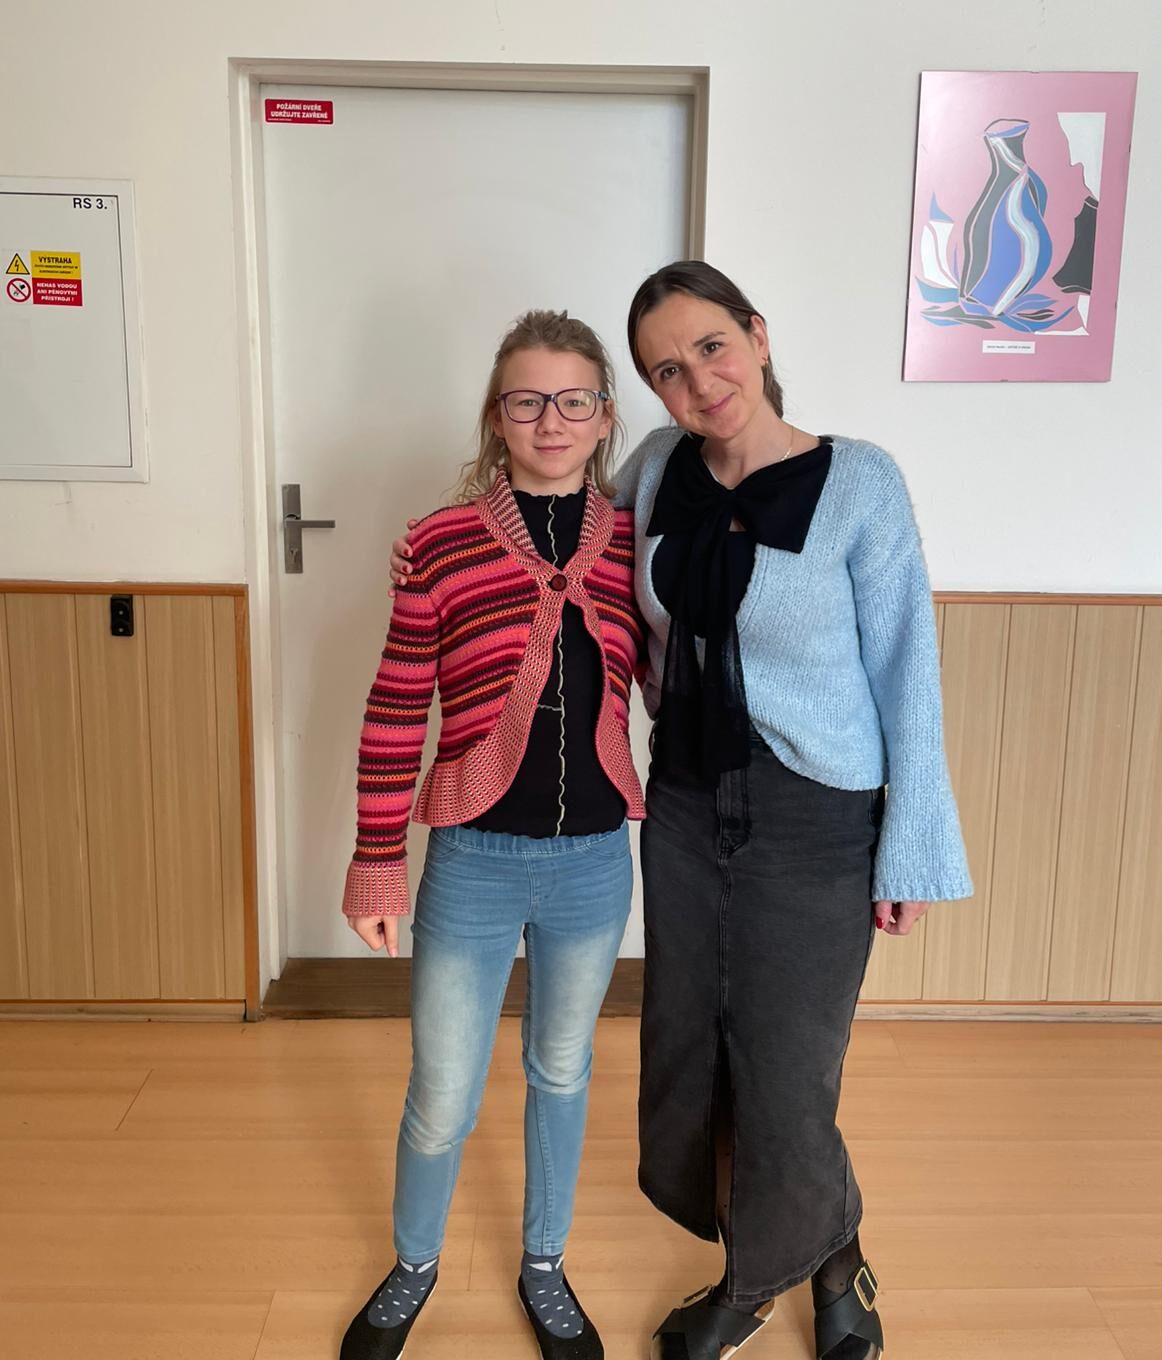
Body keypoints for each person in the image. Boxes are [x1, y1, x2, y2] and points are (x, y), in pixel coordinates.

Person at [391, 262, 972, 1360]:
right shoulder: (658, 471)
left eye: (711, 347)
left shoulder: (860, 482)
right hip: (687, 810)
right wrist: (442, 540)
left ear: (757, 335)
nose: (699, 381)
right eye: (667, 368)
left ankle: (760, 1284)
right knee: (701, 1052)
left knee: (789, 1065)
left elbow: (909, 672)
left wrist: (914, 846)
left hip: (816, 812)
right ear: (647, 394)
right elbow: (561, 535)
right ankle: (820, 1251)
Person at [343, 309, 645, 1360]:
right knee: (442, 1090)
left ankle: (545, 1264)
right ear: (497, 416)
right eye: (527, 400)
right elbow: (396, 706)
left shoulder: (634, 545)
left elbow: (674, 673)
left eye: (573, 399)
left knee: (562, 1071)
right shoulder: (439, 542)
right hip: (473, 861)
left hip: (594, 861)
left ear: (603, 417)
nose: (550, 420)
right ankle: (413, 1264)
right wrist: (377, 860)